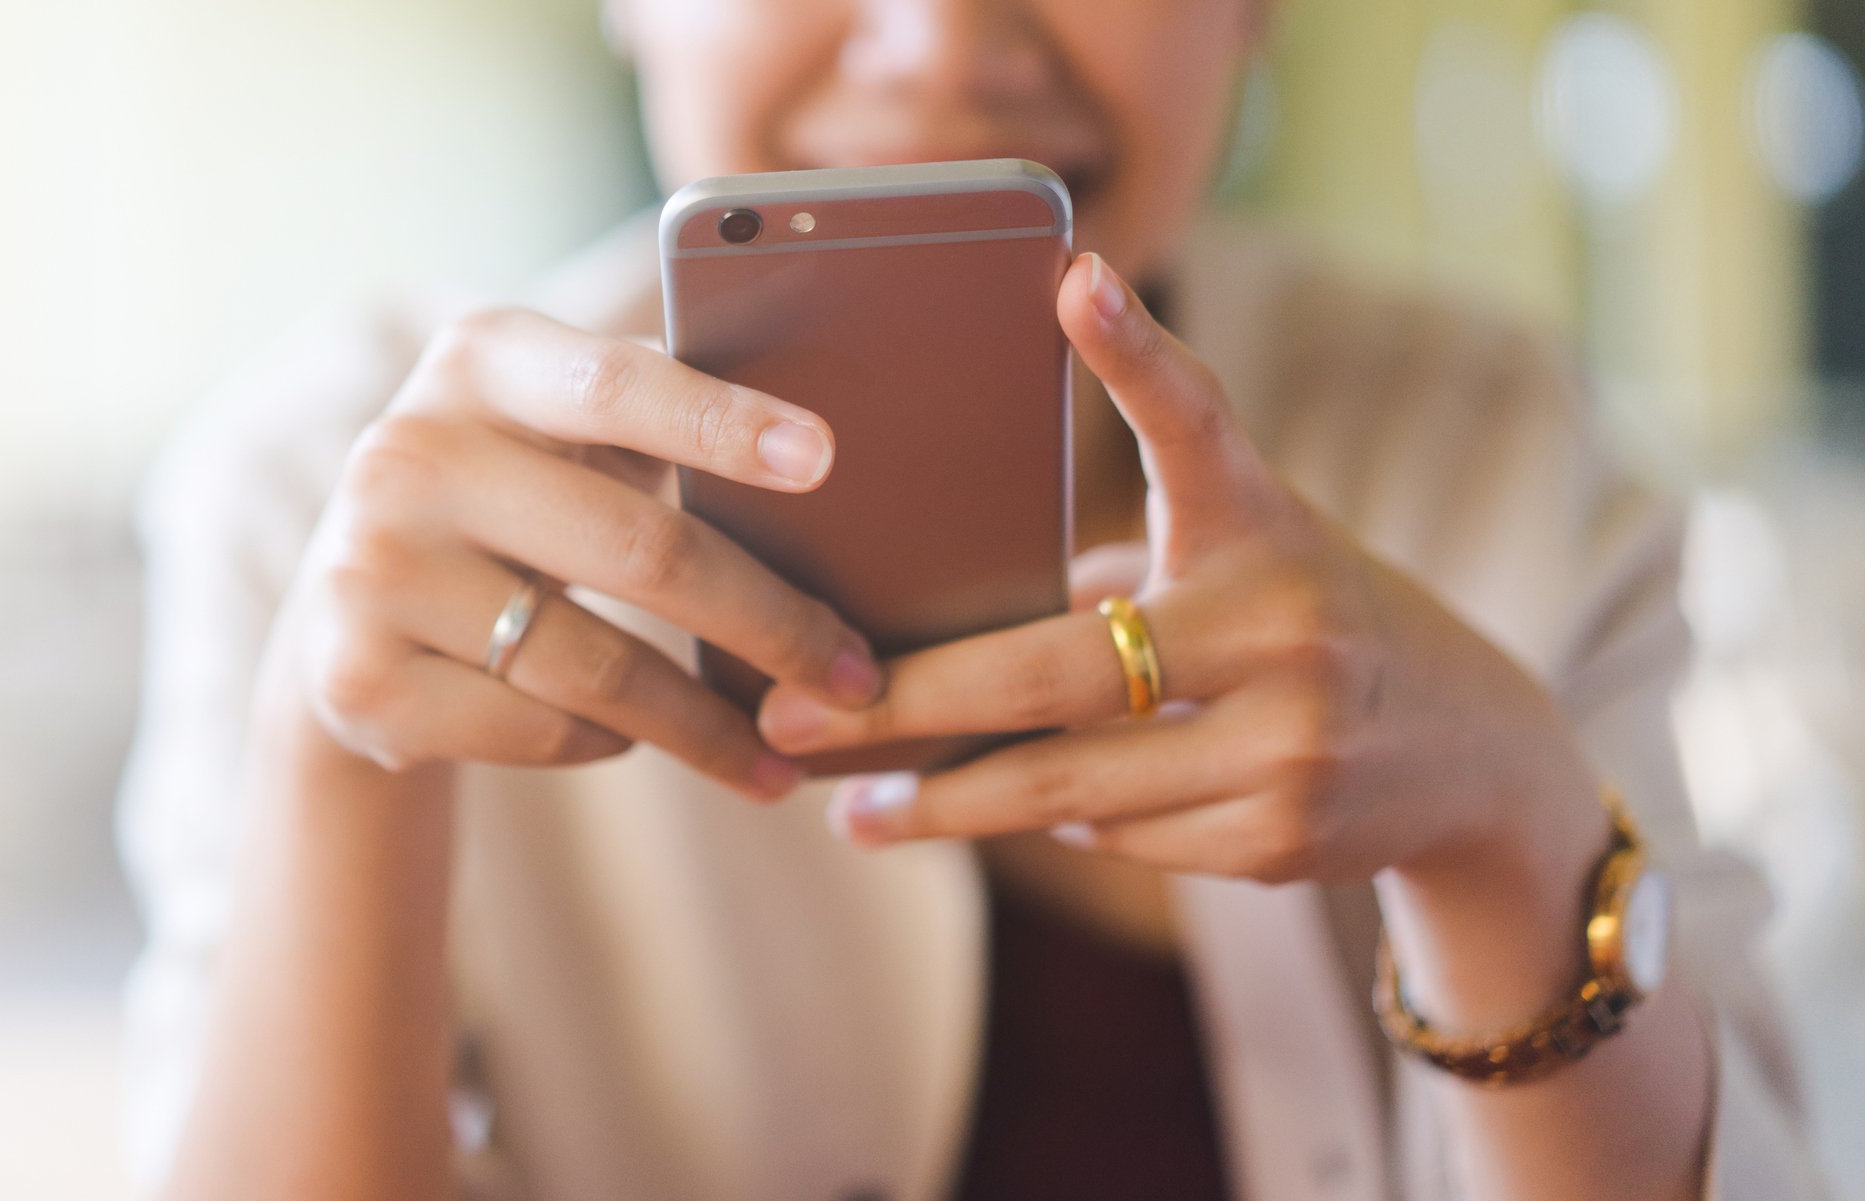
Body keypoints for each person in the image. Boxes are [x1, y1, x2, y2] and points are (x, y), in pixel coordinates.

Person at [118, 2, 1825, 1198]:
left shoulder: (1500, 450)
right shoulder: (323, 499)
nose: (940, 38)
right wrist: (341, 768)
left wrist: (1515, 835)